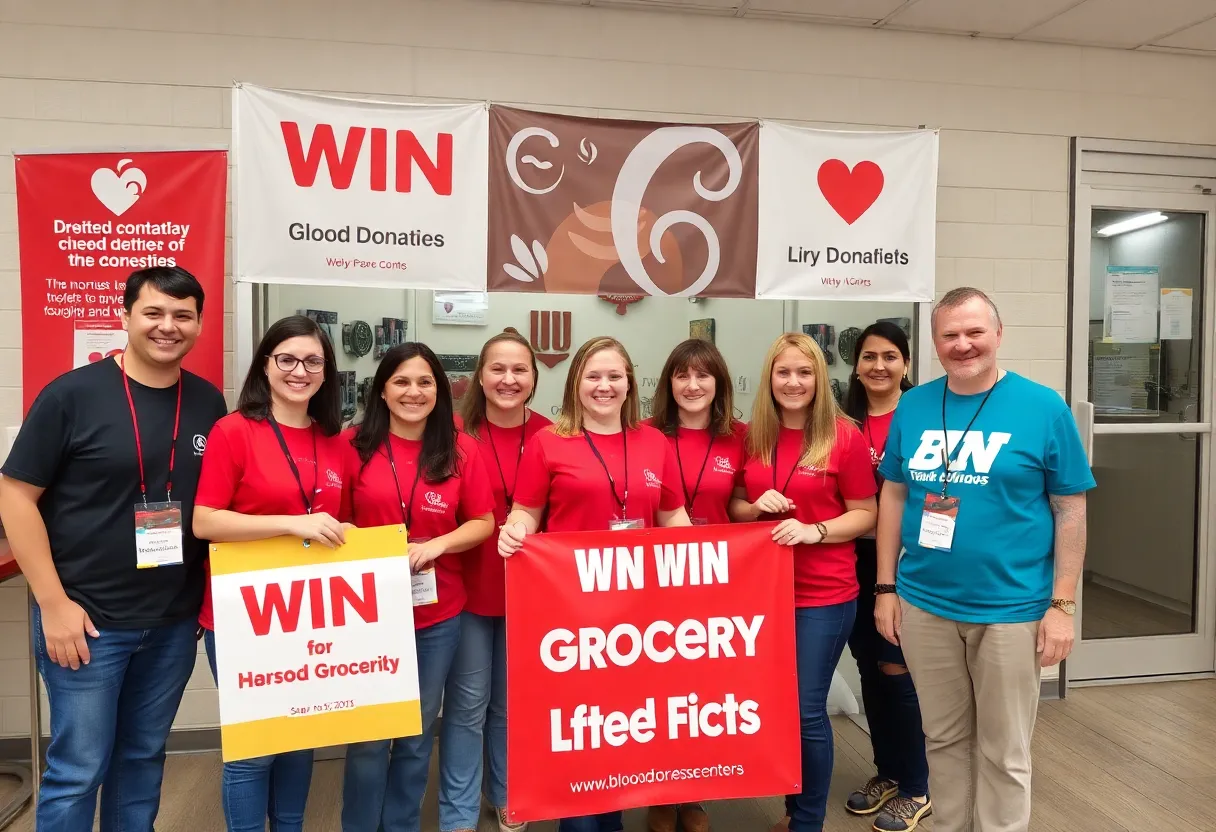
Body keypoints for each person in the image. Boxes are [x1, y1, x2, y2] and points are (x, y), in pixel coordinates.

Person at [0, 266, 227, 830]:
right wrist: (53, 605)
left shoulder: (207, 402)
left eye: (182, 315)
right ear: (124, 317)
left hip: (172, 623)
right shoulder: (72, 394)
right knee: (78, 769)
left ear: (199, 323)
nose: (168, 326)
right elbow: (15, 495)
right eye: (153, 313)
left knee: (142, 760)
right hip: (87, 621)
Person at [874, 288, 1094, 832]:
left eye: (974, 332)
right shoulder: (915, 404)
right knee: (943, 739)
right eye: (950, 335)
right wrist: (886, 588)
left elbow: (1070, 508)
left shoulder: (1044, 407)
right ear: (935, 342)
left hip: (1011, 609)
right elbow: (895, 494)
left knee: (1004, 750)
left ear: (998, 335)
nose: (963, 345)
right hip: (925, 604)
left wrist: (1062, 604)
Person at [498, 336, 691, 832]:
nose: (604, 387)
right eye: (593, 377)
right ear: (575, 384)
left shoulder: (655, 442)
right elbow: (527, 512)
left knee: (623, 733)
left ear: (630, 382)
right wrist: (516, 529)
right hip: (572, 620)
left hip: (640, 620)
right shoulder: (548, 443)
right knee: (580, 733)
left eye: (614, 377)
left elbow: (673, 516)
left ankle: (613, 821)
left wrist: (723, 562)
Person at [193, 314, 350, 832]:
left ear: (327, 372)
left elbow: (336, 523)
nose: (299, 371)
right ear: (266, 365)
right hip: (246, 616)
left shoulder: (335, 441)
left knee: (299, 741)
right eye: (287, 359)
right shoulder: (234, 431)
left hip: (310, 617)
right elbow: (205, 520)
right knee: (255, 748)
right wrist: (291, 524)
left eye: (312, 361)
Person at [341, 342, 496, 832]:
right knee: (368, 737)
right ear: (382, 390)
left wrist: (440, 545)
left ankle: (402, 824)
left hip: (437, 616)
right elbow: (333, 522)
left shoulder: (460, 447)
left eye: (425, 382)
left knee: (415, 733)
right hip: (366, 616)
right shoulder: (352, 445)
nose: (414, 392)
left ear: (440, 390)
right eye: (402, 382)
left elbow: (484, 522)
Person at [730, 332, 877, 832]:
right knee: (775, 708)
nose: (793, 382)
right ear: (769, 378)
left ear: (820, 379)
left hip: (823, 596)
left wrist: (814, 530)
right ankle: (793, 811)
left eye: (804, 372)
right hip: (762, 596)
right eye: (783, 372)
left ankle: (807, 822)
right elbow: (733, 505)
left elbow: (867, 514)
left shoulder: (844, 436)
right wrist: (754, 508)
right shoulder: (753, 436)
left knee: (806, 710)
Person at [445, 331, 551, 832]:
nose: (508, 380)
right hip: (465, 590)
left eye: (520, 370)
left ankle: (507, 793)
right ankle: (461, 810)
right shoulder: (447, 432)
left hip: (532, 598)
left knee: (510, 706)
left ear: (534, 376)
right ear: (479, 376)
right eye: (497, 370)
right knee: (467, 706)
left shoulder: (555, 434)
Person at [643, 337, 748, 832]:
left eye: (703, 375)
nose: (692, 385)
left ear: (719, 384)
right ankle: (660, 794)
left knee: (703, 697)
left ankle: (695, 792)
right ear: (668, 384)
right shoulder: (643, 435)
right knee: (655, 693)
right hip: (651, 584)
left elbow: (742, 506)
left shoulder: (741, 438)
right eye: (681, 375)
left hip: (716, 585)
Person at [840, 322, 930, 832]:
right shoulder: (842, 421)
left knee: (898, 672)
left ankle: (918, 785)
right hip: (851, 556)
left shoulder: (920, 415)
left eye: (890, 356)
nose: (879, 366)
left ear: (906, 364)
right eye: (869, 356)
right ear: (855, 365)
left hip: (902, 563)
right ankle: (888, 772)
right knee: (869, 668)